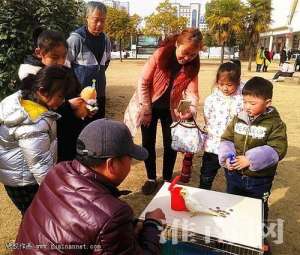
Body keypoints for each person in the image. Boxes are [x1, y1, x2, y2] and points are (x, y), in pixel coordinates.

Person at [14, 119, 166, 255]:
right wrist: (154, 225)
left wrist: (128, 229)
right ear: (111, 164)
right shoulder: (113, 215)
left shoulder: (58, 171)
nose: (131, 163)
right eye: (130, 158)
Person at [124, 28, 203, 195]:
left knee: (171, 144)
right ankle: (151, 178)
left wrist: (187, 110)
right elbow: (144, 82)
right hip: (149, 105)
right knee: (148, 143)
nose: (187, 58)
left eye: (193, 55)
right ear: (177, 44)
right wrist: (146, 108)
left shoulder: (193, 65)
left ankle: (167, 180)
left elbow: (192, 93)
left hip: (171, 109)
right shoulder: (160, 54)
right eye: (185, 53)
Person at [218, 77, 287, 254]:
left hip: (259, 180)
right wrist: (227, 158)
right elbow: (226, 139)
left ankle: (260, 239)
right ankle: (227, 233)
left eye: (253, 103)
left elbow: (278, 148)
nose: (247, 106)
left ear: (267, 102)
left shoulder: (275, 123)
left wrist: (251, 159)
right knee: (232, 205)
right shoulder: (238, 118)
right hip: (234, 176)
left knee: (259, 210)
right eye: (245, 101)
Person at [0, 65, 76, 215]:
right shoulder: (33, 121)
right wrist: (53, 191)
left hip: (17, 175)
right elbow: (39, 163)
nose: (62, 101)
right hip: (25, 182)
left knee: (32, 214)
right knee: (36, 216)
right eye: (60, 96)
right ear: (42, 91)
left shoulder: (23, 100)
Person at [18, 29, 90, 162]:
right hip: (53, 142)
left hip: (70, 137)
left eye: (64, 56)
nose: (61, 62)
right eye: (55, 57)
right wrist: (69, 106)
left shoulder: (65, 71)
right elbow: (41, 115)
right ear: (39, 53)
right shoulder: (32, 80)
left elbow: (75, 94)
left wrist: (85, 107)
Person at [199, 62, 244, 190]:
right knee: (206, 176)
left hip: (233, 148)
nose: (225, 88)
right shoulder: (212, 99)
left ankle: (233, 198)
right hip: (213, 146)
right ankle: (203, 193)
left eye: (229, 85)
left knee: (233, 178)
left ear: (238, 82)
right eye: (221, 84)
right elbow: (207, 116)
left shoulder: (242, 99)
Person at [66, 1, 111, 120]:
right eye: (96, 20)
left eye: (103, 20)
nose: (100, 24)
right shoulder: (75, 40)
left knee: (98, 128)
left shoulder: (106, 40)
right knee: (81, 130)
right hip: (80, 97)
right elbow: (65, 67)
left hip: (99, 94)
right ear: (87, 18)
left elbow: (106, 63)